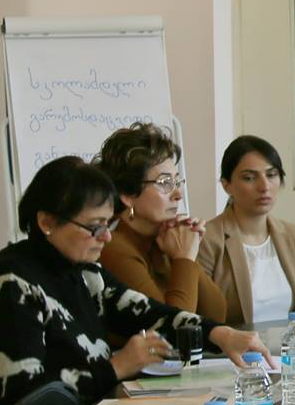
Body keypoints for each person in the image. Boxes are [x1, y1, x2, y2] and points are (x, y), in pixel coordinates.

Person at [0, 157, 267, 405]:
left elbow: (147, 312)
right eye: (95, 227)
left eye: (109, 224)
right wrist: (116, 367)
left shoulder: (84, 272)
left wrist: (219, 333)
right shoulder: (8, 285)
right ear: (47, 222)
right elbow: (33, 401)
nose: (107, 237)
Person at [98, 122, 229, 321]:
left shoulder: (165, 238)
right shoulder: (113, 247)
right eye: (165, 183)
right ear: (128, 195)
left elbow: (217, 314)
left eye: (177, 182)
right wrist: (184, 258)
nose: (178, 194)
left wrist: (189, 252)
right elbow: (170, 326)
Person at [192, 135, 295, 328]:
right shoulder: (207, 239)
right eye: (249, 178)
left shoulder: (291, 235)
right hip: (231, 347)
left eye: (271, 175)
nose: (264, 187)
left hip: (290, 346)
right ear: (226, 185)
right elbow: (198, 317)